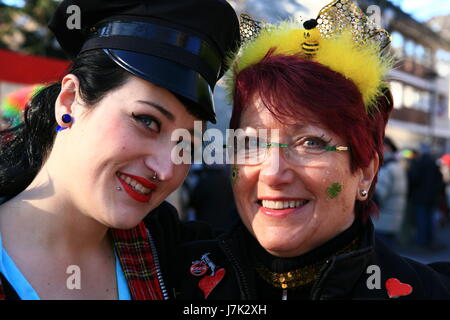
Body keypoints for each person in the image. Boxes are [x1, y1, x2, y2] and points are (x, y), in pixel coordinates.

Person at [175, 1, 450, 300]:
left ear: (365, 174)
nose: (273, 173)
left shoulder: (428, 291)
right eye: (252, 143)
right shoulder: (174, 274)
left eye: (311, 143)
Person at [0, 0, 240, 300]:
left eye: (186, 144)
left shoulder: (180, 259)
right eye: (147, 121)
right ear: (70, 99)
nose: (166, 169)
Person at [408, 143, 446, 248]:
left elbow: (414, 179)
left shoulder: (419, 163)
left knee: (421, 219)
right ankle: (429, 240)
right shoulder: (434, 163)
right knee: (429, 219)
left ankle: (421, 241)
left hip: (420, 196)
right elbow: (440, 180)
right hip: (432, 197)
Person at [372, 137, 407, 245]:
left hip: (382, 222)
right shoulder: (397, 166)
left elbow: (377, 197)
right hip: (391, 222)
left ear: (386, 148)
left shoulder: (387, 168)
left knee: (378, 258)